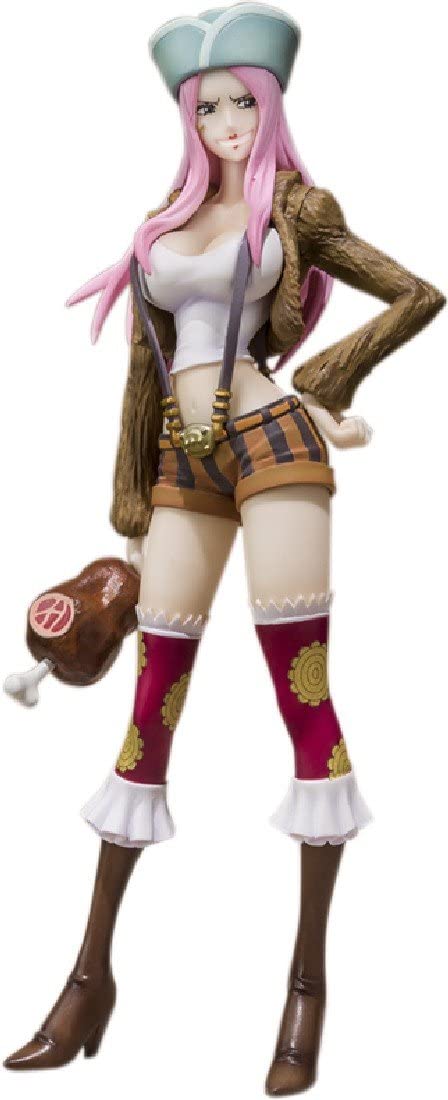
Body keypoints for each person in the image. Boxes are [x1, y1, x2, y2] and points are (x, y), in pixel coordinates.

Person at [4, 5, 445, 1094]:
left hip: (272, 439)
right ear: (186, 118)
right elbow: (142, 370)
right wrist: (126, 506)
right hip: (181, 461)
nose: (230, 122)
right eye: (209, 108)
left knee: (303, 694)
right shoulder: (162, 222)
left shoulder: (297, 207)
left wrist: (323, 381)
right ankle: (88, 976)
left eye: (246, 101)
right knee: (149, 701)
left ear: (273, 104)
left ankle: (306, 986)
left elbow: (417, 292)